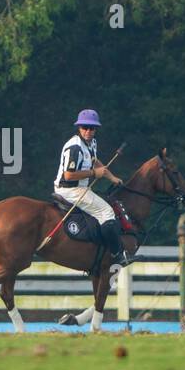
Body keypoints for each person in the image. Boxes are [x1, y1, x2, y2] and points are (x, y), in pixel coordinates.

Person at [53, 109, 131, 274]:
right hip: (69, 189)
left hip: (80, 188)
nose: (88, 131)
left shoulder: (92, 143)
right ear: (79, 128)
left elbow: (95, 161)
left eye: (92, 128)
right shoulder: (75, 147)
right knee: (106, 212)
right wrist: (94, 174)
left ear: (96, 129)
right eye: (85, 127)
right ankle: (117, 255)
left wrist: (112, 177)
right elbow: (68, 174)